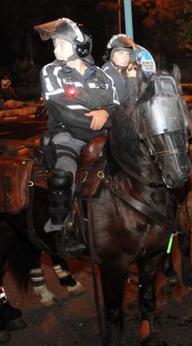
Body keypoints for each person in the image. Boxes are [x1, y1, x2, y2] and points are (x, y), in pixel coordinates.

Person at [34, 18, 119, 255]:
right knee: (63, 173)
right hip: (66, 135)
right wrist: (99, 120)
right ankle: (60, 229)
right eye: (54, 44)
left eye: (61, 43)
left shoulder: (103, 76)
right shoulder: (51, 71)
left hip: (102, 136)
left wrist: (105, 112)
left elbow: (116, 105)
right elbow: (63, 109)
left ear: (80, 46)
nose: (55, 49)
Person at [101, 34, 137, 104]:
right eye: (121, 53)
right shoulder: (109, 74)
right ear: (111, 55)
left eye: (128, 54)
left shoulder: (122, 71)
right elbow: (128, 103)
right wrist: (132, 78)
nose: (125, 57)